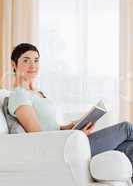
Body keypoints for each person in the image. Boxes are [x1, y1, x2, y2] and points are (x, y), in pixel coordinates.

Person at [8, 43, 133, 180]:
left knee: (128, 147)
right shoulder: (19, 95)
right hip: (61, 149)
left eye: (36, 60)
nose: (33, 65)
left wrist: (74, 125)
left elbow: (53, 128)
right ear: (14, 65)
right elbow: (39, 137)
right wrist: (75, 133)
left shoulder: (38, 93)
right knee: (126, 128)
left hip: (66, 141)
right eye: (26, 60)